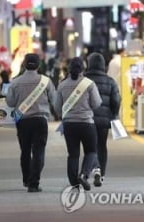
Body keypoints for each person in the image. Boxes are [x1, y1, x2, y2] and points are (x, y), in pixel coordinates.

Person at [6, 54, 56, 192]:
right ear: (39, 65)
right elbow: (54, 99)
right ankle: (34, 183)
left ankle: (26, 180)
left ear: (24, 64)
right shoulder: (46, 81)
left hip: (22, 120)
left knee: (25, 151)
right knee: (38, 151)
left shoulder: (15, 82)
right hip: (40, 120)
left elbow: (10, 102)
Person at [54, 57, 102, 191]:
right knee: (91, 151)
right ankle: (84, 175)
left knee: (73, 154)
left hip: (69, 124)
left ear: (69, 69)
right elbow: (96, 103)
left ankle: (74, 182)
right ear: (83, 69)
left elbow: (57, 108)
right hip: (87, 123)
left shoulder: (62, 85)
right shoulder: (89, 84)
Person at [84, 53, 121, 187]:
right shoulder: (110, 81)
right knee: (101, 146)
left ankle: (94, 169)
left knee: (90, 147)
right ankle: (101, 173)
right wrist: (114, 113)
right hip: (103, 120)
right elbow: (116, 100)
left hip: (87, 119)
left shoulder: (84, 80)